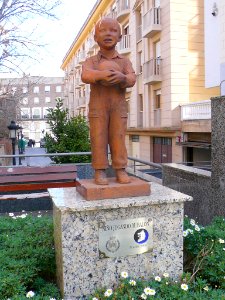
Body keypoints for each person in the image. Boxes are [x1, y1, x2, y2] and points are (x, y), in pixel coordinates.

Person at [81, 17, 136, 185]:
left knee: (118, 137)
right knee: (98, 137)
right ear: (96, 37)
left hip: (118, 106)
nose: (108, 34)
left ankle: (120, 169)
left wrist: (122, 78)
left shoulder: (124, 61)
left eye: (113, 31)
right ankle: (100, 171)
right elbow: (85, 75)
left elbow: (132, 78)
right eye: (103, 30)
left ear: (120, 36)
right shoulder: (91, 61)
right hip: (98, 106)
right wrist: (100, 75)